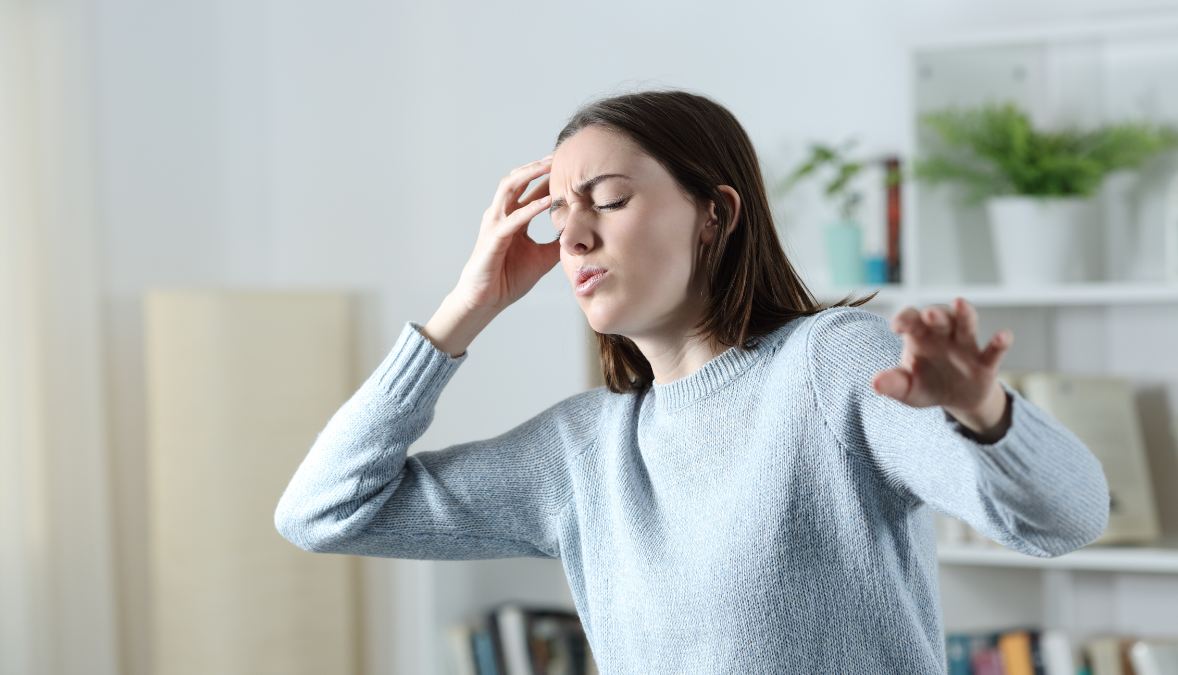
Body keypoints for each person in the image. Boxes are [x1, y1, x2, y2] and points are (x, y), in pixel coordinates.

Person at [275, 91, 1109, 674]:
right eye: (559, 214)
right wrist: (467, 305)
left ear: (715, 213)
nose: (574, 235)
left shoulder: (829, 364)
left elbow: (1064, 520)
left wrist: (982, 411)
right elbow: (321, 510)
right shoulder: (580, 451)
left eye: (606, 199)